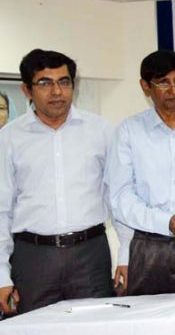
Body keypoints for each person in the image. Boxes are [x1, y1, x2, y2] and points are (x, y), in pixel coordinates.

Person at [0, 49, 114, 315]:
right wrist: (2, 276)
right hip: (33, 257)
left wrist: (126, 258)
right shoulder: (9, 139)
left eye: (64, 82)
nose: (56, 91)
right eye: (45, 83)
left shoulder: (100, 130)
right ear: (27, 90)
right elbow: (1, 210)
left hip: (90, 254)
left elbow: (116, 197)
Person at [106, 50, 175, 296]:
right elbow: (120, 196)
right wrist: (165, 222)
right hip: (147, 245)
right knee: (147, 325)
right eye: (163, 82)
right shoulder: (129, 131)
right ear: (145, 87)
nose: (174, 89)